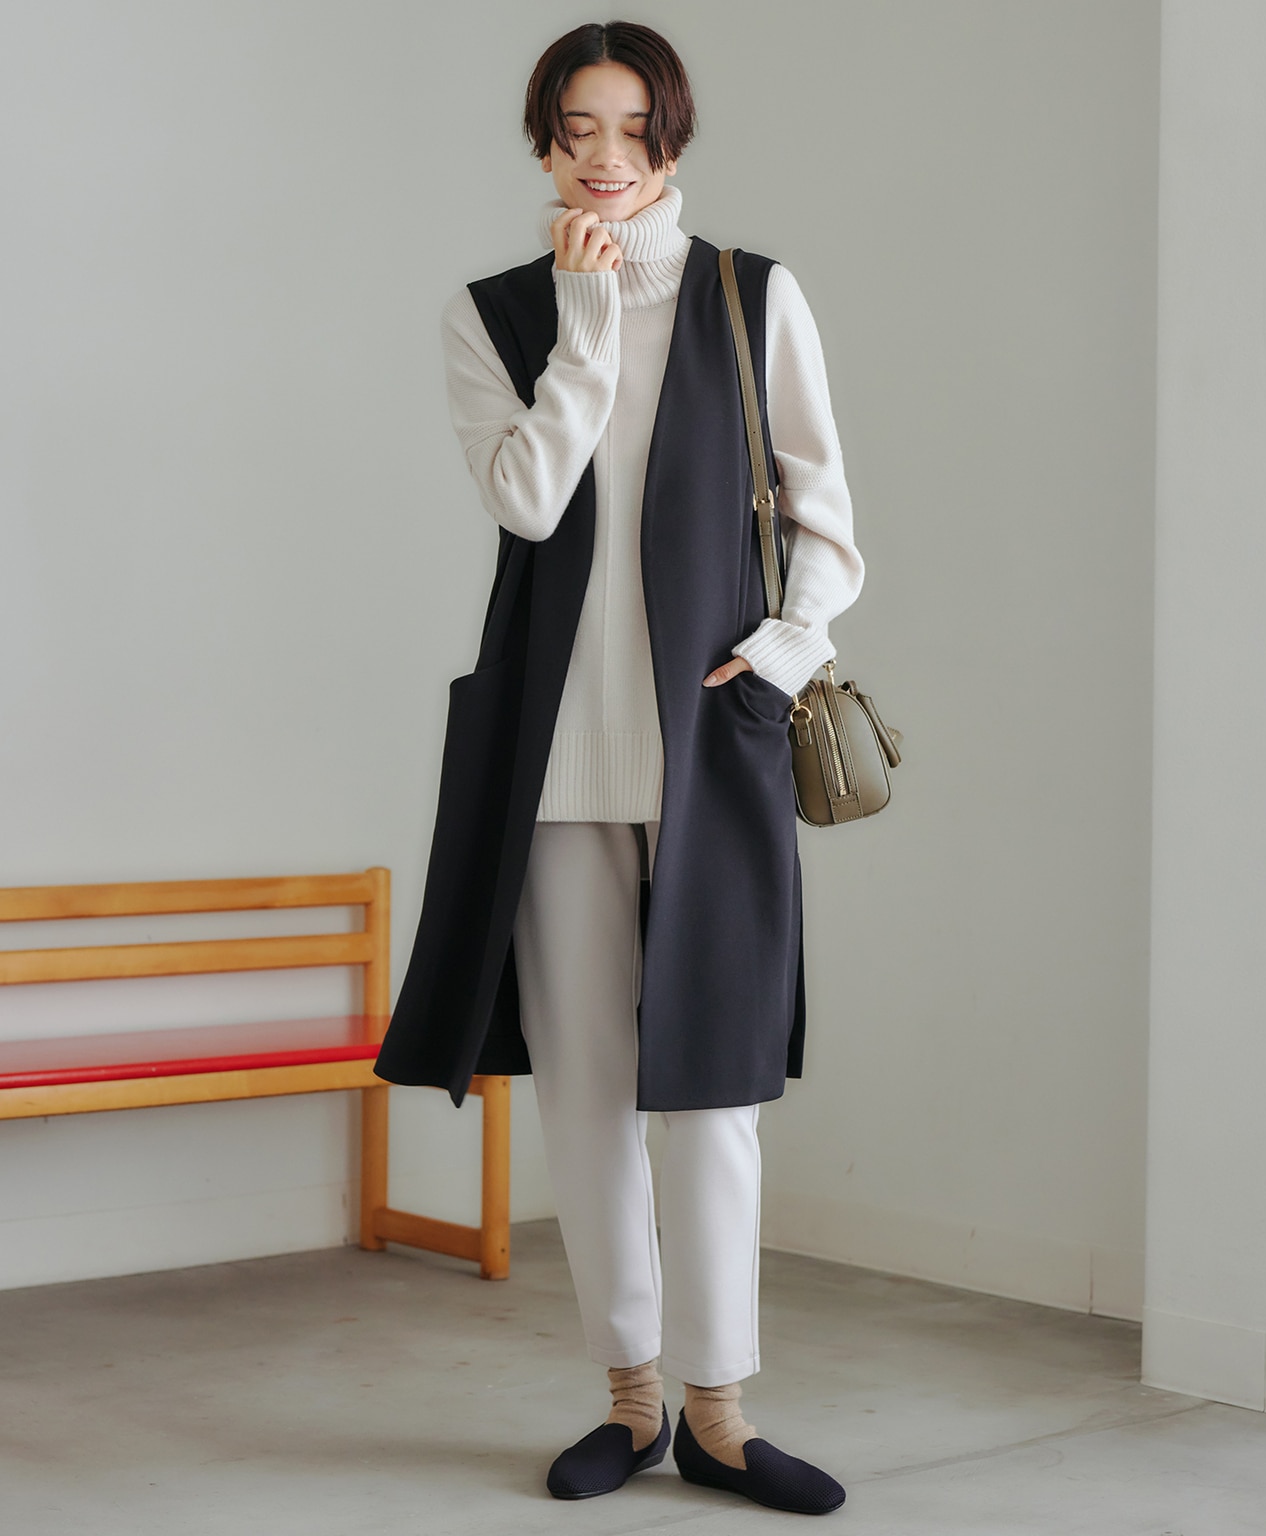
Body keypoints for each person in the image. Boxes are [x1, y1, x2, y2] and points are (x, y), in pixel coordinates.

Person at [375, 18, 864, 1517]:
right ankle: (633, 1405)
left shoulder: (749, 296)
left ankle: (721, 1414)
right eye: (578, 127)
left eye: (634, 128)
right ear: (542, 137)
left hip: (708, 761)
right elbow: (528, 504)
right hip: (555, 771)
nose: (606, 155)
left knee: (710, 1098)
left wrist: (778, 658)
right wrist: (584, 329)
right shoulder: (494, 315)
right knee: (587, 1099)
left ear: (673, 137)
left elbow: (827, 519)